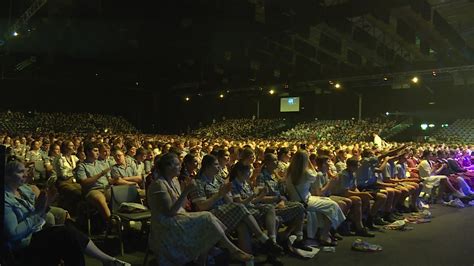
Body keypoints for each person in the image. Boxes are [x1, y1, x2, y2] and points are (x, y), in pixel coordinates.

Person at [4, 155, 130, 266]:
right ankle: (107, 260)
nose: (26, 174)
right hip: (25, 243)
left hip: (36, 231)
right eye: (20, 172)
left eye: (25, 171)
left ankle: (107, 260)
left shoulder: (24, 190)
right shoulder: (5, 199)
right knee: (67, 235)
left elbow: (37, 213)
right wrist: (38, 212)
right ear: (8, 176)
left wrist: (46, 204)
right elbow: (14, 233)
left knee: (69, 235)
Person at [147, 153, 253, 265]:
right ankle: (233, 250)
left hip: (179, 217)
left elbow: (181, 206)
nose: (180, 166)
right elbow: (170, 212)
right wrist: (186, 192)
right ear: (168, 167)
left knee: (207, 221)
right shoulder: (159, 185)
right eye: (177, 164)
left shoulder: (174, 181)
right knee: (206, 217)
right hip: (166, 224)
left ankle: (205, 260)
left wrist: (184, 192)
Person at [189, 154, 283, 255]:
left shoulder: (219, 180)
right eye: (216, 165)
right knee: (240, 207)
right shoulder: (198, 183)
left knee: (243, 226)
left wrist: (224, 194)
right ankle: (264, 240)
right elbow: (202, 206)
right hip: (211, 215)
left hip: (227, 211)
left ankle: (248, 258)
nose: (219, 167)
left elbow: (230, 202)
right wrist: (219, 194)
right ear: (207, 167)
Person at [286, 150, 346, 246]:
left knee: (327, 201)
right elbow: (314, 172)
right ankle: (325, 235)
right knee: (332, 205)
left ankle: (325, 232)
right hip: (305, 201)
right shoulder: (307, 173)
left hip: (295, 200)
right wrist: (309, 161)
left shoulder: (288, 172)